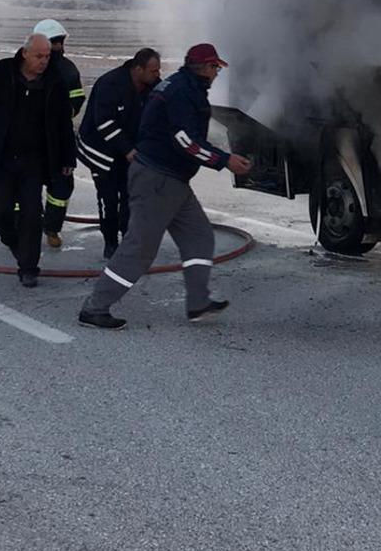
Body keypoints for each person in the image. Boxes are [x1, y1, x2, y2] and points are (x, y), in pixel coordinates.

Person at [79, 43, 252, 330]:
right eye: (215, 68)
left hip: (173, 180)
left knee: (198, 236)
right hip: (157, 180)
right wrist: (225, 160)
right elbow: (187, 142)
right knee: (139, 250)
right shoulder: (182, 93)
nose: (217, 73)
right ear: (205, 68)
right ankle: (94, 308)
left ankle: (198, 303)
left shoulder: (182, 85)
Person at [0, 33, 77, 287]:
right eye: (39, 56)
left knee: (31, 215)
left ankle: (29, 267)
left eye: (47, 56)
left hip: (34, 161)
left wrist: (67, 158)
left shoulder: (55, 81)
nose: (44, 61)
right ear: (25, 53)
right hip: (1, 157)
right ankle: (13, 242)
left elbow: (64, 124)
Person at [76, 47, 162, 258]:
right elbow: (104, 123)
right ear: (138, 69)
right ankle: (110, 242)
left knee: (130, 194)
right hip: (101, 149)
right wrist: (128, 150)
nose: (157, 74)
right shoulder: (110, 84)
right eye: (154, 71)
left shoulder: (153, 86)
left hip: (129, 150)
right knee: (109, 197)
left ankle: (128, 237)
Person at [31, 18, 86, 249]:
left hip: (59, 139)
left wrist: (60, 115)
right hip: (29, 139)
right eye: (54, 42)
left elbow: (77, 99)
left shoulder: (68, 70)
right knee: (25, 185)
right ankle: (24, 225)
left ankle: (52, 228)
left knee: (61, 187)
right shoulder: (25, 67)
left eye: (60, 42)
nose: (58, 47)